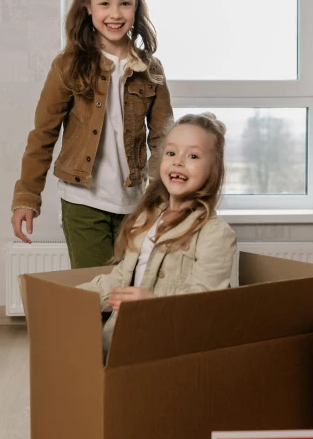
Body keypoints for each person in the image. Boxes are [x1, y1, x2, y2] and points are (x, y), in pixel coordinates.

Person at [11, 0, 173, 268]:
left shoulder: (151, 70)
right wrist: (27, 198)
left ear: (137, 7)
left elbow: (164, 141)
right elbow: (43, 135)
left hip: (135, 204)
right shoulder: (68, 65)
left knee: (129, 297)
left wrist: (164, 199)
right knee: (95, 295)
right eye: (104, 3)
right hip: (83, 202)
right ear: (88, 6)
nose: (115, 14)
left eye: (125, 3)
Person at [77, 113, 237, 356]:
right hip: (121, 344)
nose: (178, 162)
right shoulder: (147, 219)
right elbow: (121, 279)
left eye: (193, 156)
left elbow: (205, 306)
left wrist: (155, 305)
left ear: (213, 170)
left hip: (168, 351)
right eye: (171, 153)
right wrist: (72, 298)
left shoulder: (215, 234)